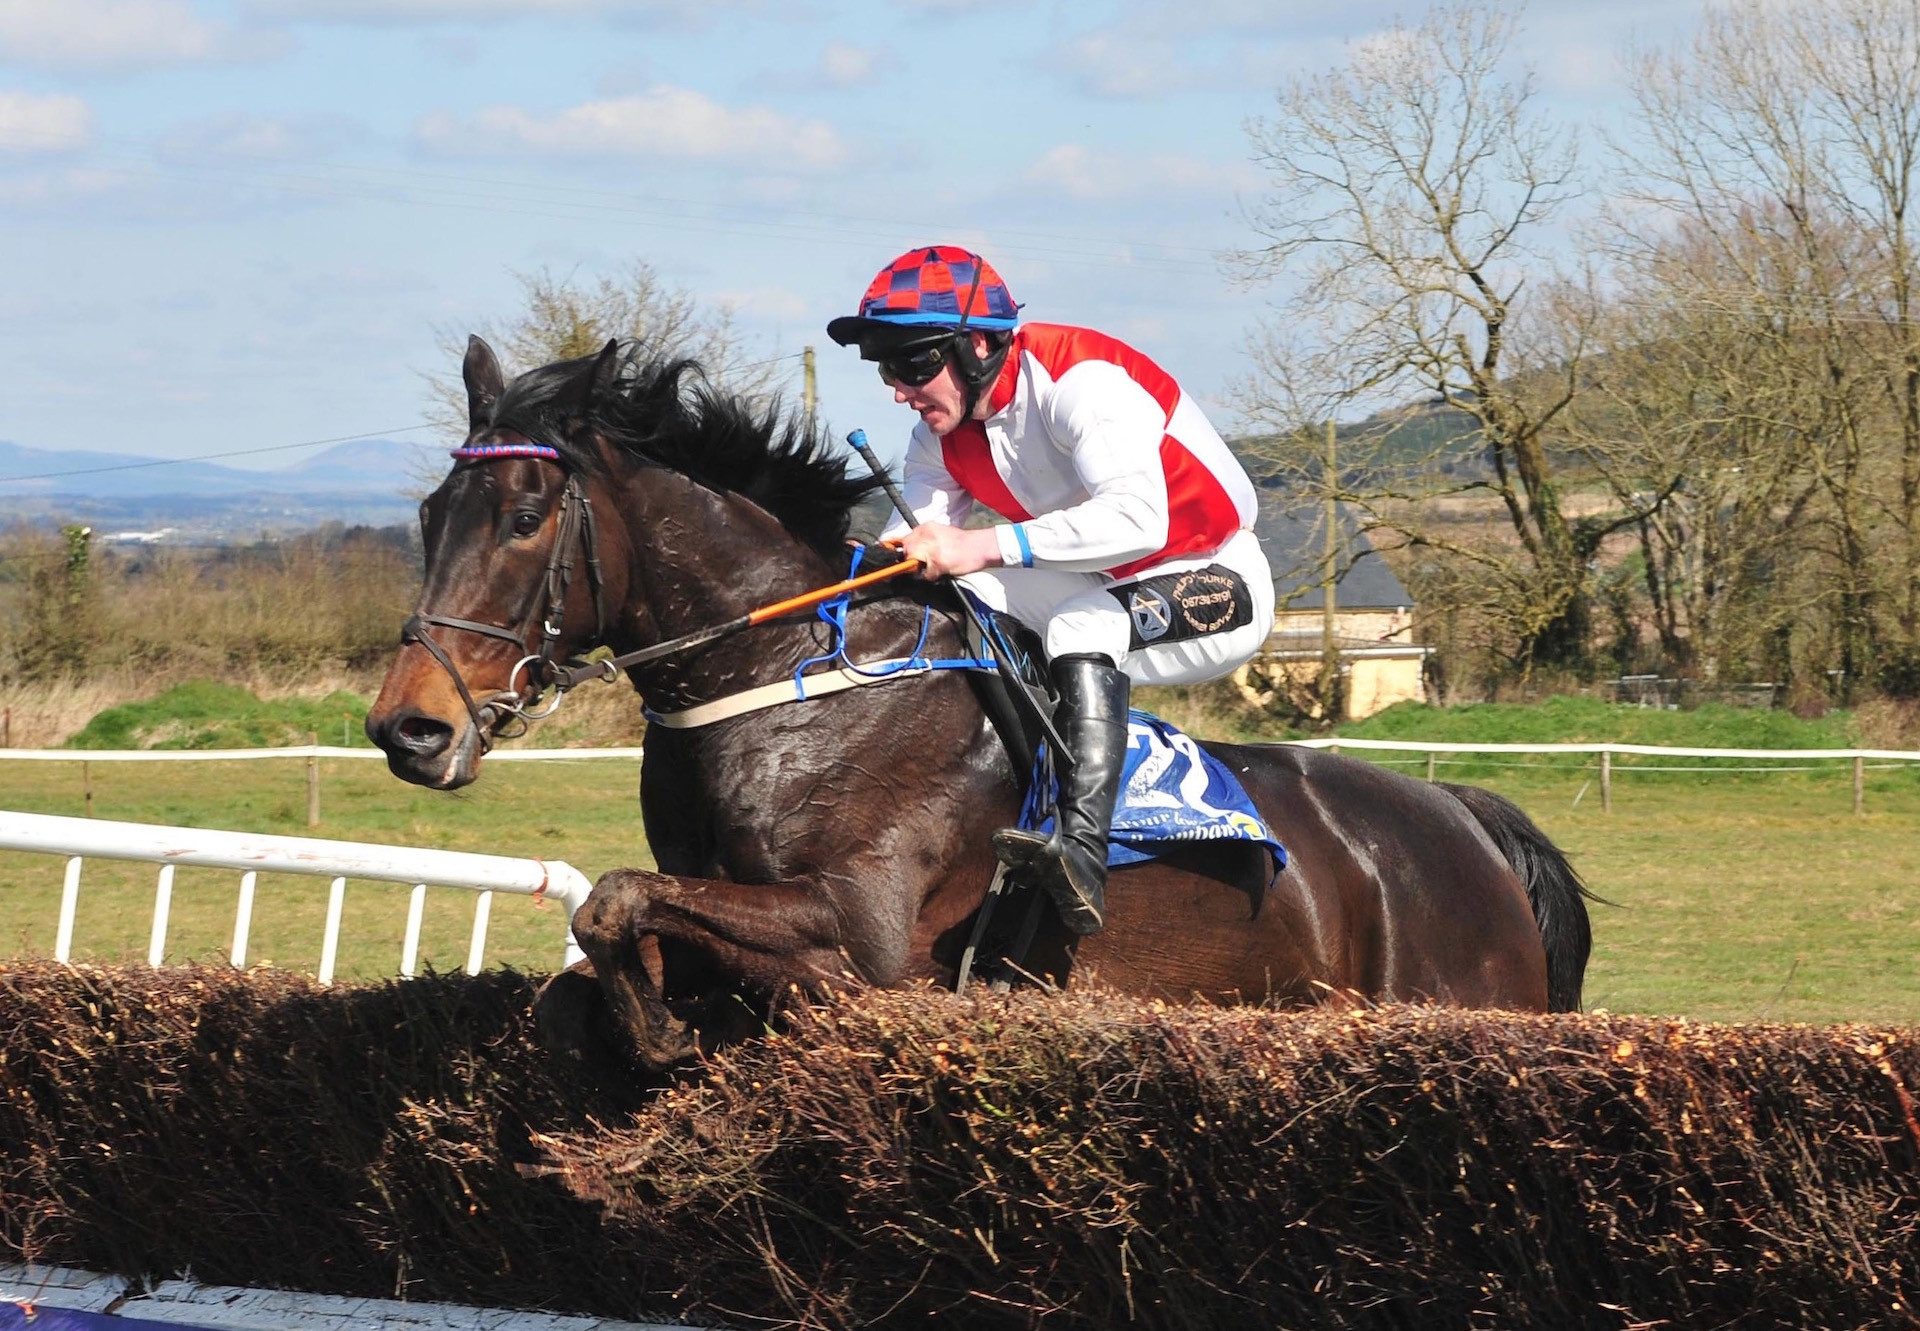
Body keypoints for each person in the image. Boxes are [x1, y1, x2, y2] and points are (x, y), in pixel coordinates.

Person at [827, 245, 1274, 936]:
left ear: (977, 345)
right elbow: (917, 544)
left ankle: (1081, 852)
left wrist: (978, 544)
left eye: (912, 366)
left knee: (1080, 625)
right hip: (1093, 579)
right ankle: (992, 792)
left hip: (1214, 575)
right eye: (885, 368)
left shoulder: (1081, 382)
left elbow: (1138, 521)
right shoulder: (936, 438)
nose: (898, 390)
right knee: (958, 598)